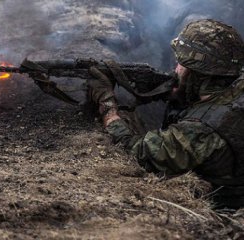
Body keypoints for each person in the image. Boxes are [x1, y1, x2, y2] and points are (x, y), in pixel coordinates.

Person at [88, 19, 244, 208]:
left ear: (198, 73)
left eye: (180, 63)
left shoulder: (200, 131)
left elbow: (138, 152)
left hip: (227, 212)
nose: (175, 68)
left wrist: (107, 106)